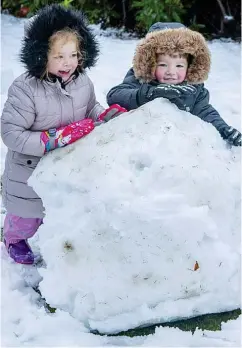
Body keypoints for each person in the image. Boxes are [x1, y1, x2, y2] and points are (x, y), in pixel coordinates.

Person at [1, 4, 126, 265]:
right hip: (29, 169)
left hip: (68, 164)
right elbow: (12, 134)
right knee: (28, 213)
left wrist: (103, 116)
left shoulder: (83, 82)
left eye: (73, 55)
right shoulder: (25, 89)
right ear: (40, 55)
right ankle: (13, 237)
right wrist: (52, 139)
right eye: (58, 56)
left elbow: (90, 107)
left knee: (60, 208)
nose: (68, 63)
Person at [107, 22, 241, 146]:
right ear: (150, 63)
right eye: (163, 65)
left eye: (179, 66)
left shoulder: (193, 88)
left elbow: (205, 110)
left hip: (175, 146)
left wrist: (223, 128)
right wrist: (149, 93)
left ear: (190, 66)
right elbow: (114, 96)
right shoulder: (140, 79)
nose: (171, 72)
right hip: (140, 143)